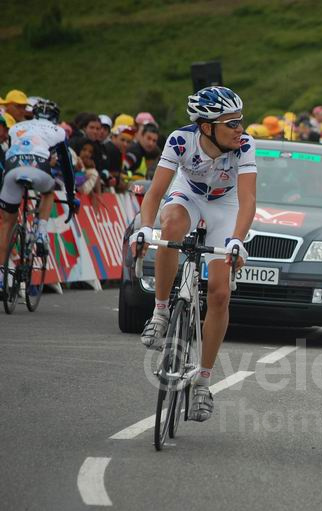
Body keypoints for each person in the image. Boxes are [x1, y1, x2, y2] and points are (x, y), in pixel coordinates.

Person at [129, 86, 256, 423]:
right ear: (206, 127)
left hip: (225, 207)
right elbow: (156, 193)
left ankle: (202, 381)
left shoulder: (245, 145)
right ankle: (160, 313)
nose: (239, 129)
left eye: (240, 121)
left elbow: (247, 201)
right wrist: (145, 228)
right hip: (189, 195)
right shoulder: (180, 141)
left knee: (219, 293)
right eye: (231, 123)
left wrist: (237, 241)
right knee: (169, 229)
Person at [0, 100, 77, 291]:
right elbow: (67, 168)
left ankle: (1, 275)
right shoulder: (58, 131)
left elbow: (10, 154)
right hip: (40, 171)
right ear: (55, 118)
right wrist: (70, 196)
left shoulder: (16, 127)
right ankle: (41, 231)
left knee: (7, 223)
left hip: (12, 172)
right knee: (48, 191)